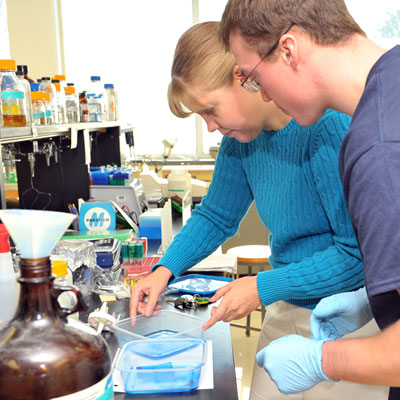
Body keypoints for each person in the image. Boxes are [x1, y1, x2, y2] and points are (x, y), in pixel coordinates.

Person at [129, 21, 383, 399]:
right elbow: (216, 215)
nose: (211, 127)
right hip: (286, 309)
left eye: (210, 110)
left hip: (349, 324)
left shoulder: (325, 129)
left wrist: (262, 286)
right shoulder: (241, 142)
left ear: (244, 76)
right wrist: (164, 268)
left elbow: (355, 257)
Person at [220, 0, 400, 397]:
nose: (261, 94)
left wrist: (322, 361)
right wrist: (375, 300)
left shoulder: (379, 146)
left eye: (253, 77)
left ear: (289, 49)